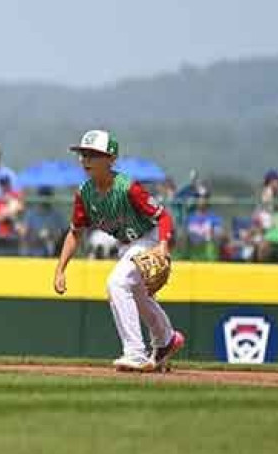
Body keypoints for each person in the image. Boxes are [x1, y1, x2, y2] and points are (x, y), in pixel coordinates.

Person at [53, 130, 185, 372]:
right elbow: (75, 233)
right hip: (127, 245)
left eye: (93, 154)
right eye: (83, 154)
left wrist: (163, 246)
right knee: (138, 294)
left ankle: (135, 353)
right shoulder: (84, 193)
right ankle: (166, 340)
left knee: (117, 283)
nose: (85, 160)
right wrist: (60, 269)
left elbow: (163, 216)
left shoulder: (128, 188)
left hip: (149, 238)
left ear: (110, 159)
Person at [18, 186, 68, 257]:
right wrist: (37, 234)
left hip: (53, 253)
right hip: (33, 252)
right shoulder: (31, 214)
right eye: (42, 196)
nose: (44, 199)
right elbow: (24, 234)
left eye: (47, 196)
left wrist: (51, 234)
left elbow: (64, 233)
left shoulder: (57, 215)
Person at [182, 187, 224, 261]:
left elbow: (219, 235)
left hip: (208, 255)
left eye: (204, 197)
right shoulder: (189, 218)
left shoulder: (214, 218)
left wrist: (213, 234)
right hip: (192, 255)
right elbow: (183, 237)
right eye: (198, 197)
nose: (201, 199)